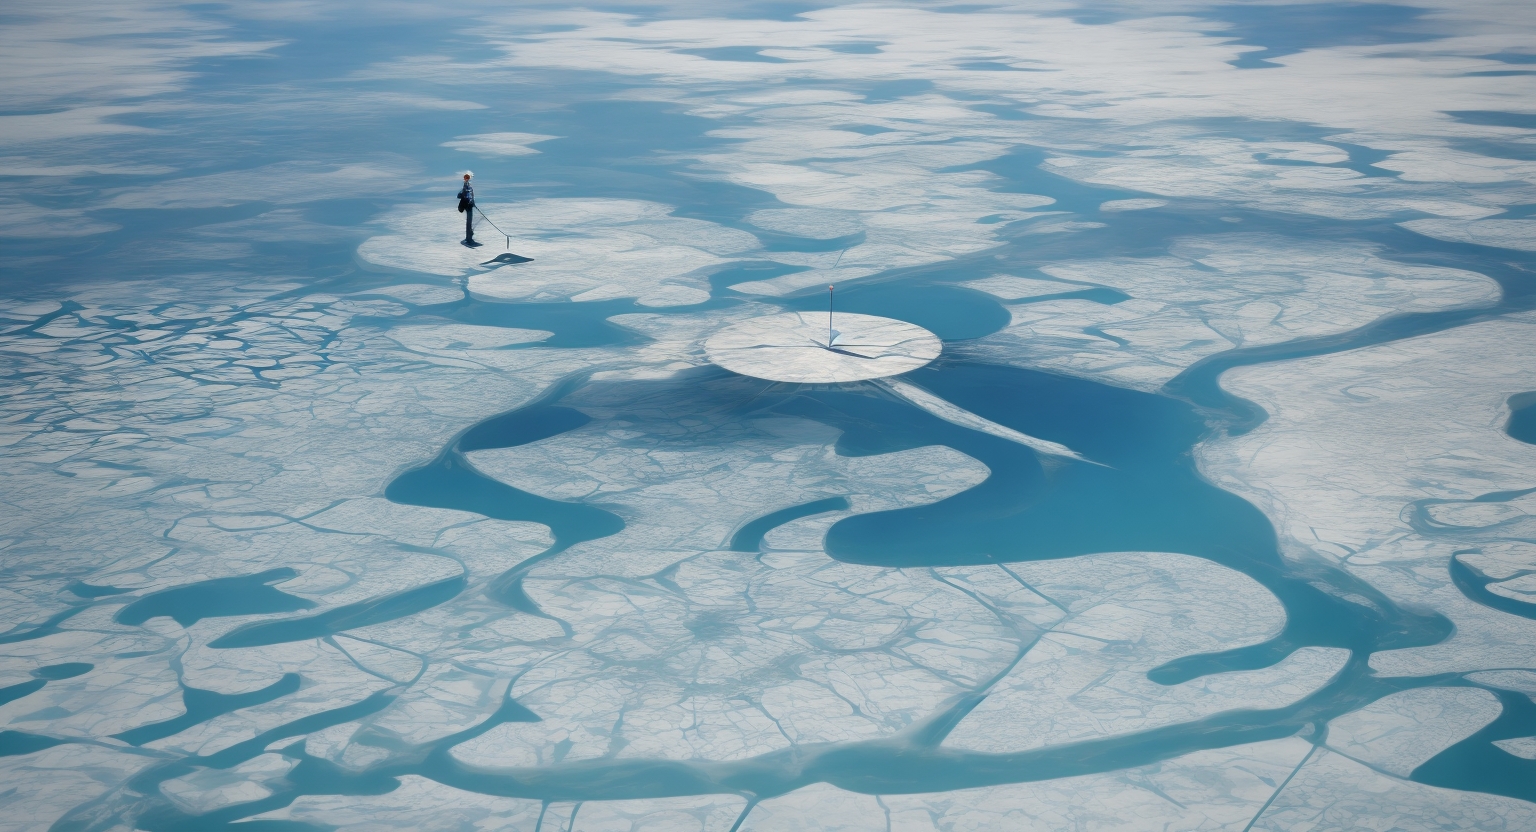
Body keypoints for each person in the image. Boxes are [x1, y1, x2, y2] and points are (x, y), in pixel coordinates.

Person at [456, 172, 476, 243]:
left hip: (468, 205)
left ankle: (469, 237)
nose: (466, 179)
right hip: (468, 205)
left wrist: (471, 202)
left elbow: (468, 195)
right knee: (469, 221)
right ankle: (469, 236)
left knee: (469, 222)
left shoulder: (468, 186)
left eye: (467, 178)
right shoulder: (466, 185)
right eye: (465, 178)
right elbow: (465, 195)